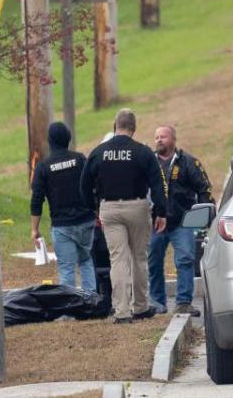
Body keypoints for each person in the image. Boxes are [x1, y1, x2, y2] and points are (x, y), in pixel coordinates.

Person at [81, 109, 168, 324]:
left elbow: (84, 185)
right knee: (139, 257)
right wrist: (161, 212)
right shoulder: (143, 152)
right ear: (134, 127)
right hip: (137, 207)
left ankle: (121, 311)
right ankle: (140, 306)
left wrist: (93, 209)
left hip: (109, 209)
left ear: (115, 126)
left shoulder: (98, 152)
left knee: (117, 258)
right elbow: (158, 184)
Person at [148, 126, 213, 316]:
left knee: (185, 259)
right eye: (156, 137)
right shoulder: (149, 163)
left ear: (174, 139)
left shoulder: (189, 162)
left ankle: (184, 302)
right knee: (154, 261)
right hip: (155, 224)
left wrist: (203, 216)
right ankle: (157, 303)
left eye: (163, 136)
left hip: (183, 222)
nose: (159, 140)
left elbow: (204, 189)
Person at [30, 122, 96, 292]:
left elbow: (37, 199)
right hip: (86, 221)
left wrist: (34, 229)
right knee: (86, 261)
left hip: (62, 226)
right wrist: (96, 212)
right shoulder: (80, 159)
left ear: (49, 141)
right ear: (68, 139)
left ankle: (70, 308)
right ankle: (90, 302)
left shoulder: (43, 167)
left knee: (67, 268)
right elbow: (93, 186)